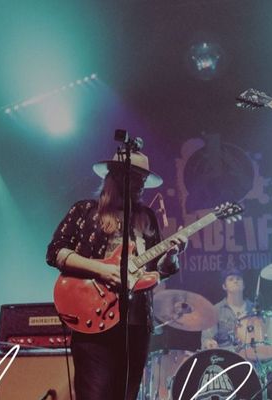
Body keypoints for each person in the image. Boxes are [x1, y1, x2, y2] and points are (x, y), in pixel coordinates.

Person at [45, 149, 188, 400]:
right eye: (135, 177)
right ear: (115, 176)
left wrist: (172, 256)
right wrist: (103, 269)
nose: (140, 184)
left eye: (143, 179)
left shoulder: (147, 217)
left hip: (136, 323)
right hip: (93, 317)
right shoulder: (85, 211)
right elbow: (55, 252)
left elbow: (156, 272)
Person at [201, 267, 257, 350]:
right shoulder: (216, 310)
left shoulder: (254, 309)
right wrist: (208, 343)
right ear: (224, 286)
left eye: (238, 279)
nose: (235, 281)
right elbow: (206, 338)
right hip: (226, 355)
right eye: (231, 279)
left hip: (251, 353)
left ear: (243, 285)